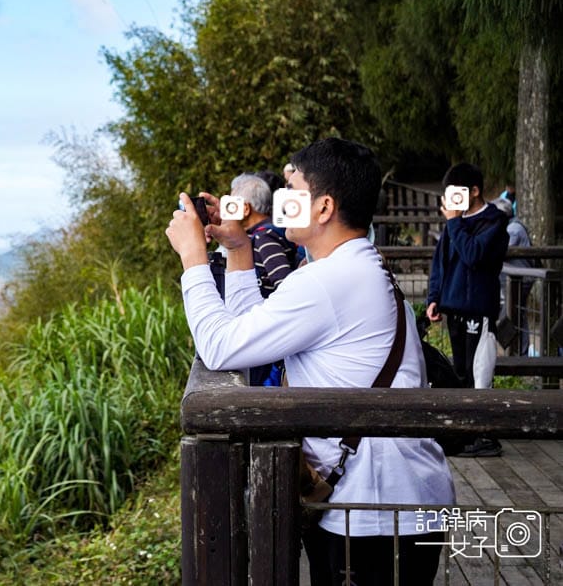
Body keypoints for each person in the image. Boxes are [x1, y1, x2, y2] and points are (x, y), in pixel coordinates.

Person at [167, 137, 454, 586]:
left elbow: (220, 346)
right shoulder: (345, 267)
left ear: (322, 208)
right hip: (386, 503)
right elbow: (250, 335)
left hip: (374, 510)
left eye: (291, 188)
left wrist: (193, 259)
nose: (281, 201)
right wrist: (239, 250)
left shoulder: (329, 280)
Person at [426, 162, 509, 457]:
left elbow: (473, 255)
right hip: (454, 309)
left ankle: (486, 436)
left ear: (474, 191)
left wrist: (454, 221)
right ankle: (465, 434)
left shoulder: (494, 222)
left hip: (479, 310)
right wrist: (434, 297)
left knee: (480, 375)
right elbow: (441, 261)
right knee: (459, 372)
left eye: (457, 192)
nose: (451, 198)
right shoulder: (454, 223)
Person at [221, 173, 296, 385]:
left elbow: (284, 284)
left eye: (230, 204)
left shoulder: (264, 237)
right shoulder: (270, 230)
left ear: (245, 209)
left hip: (271, 335)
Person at [492, 197, 535, 355]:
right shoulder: (511, 226)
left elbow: (499, 249)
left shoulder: (514, 229)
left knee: (510, 315)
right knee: (516, 314)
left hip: (520, 280)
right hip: (515, 279)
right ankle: (518, 350)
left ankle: (514, 350)